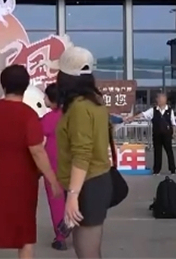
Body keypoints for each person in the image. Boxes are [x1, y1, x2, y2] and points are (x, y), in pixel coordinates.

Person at [0, 65, 60, 259]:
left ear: (3, 86)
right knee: (25, 234)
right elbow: (37, 150)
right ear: (26, 86)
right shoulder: (28, 115)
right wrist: (52, 179)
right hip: (23, 182)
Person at [52, 46, 115, 259]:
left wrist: (73, 195)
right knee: (85, 249)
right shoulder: (95, 102)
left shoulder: (79, 107)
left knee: (87, 251)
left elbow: (82, 154)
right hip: (93, 182)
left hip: (88, 185)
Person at [40, 83, 67, 250]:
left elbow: (37, 142)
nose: (44, 99)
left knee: (56, 200)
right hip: (72, 164)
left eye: (46, 96)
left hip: (53, 165)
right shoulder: (71, 116)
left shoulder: (48, 119)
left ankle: (61, 236)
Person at [126, 92, 176, 175]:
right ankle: (156, 170)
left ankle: (172, 169)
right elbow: (143, 114)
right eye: (158, 99)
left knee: (169, 151)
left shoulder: (170, 110)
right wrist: (132, 118)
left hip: (167, 134)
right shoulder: (153, 110)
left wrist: (174, 133)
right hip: (157, 134)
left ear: (165, 100)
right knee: (157, 152)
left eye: (161, 99)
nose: (159, 100)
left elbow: (173, 123)